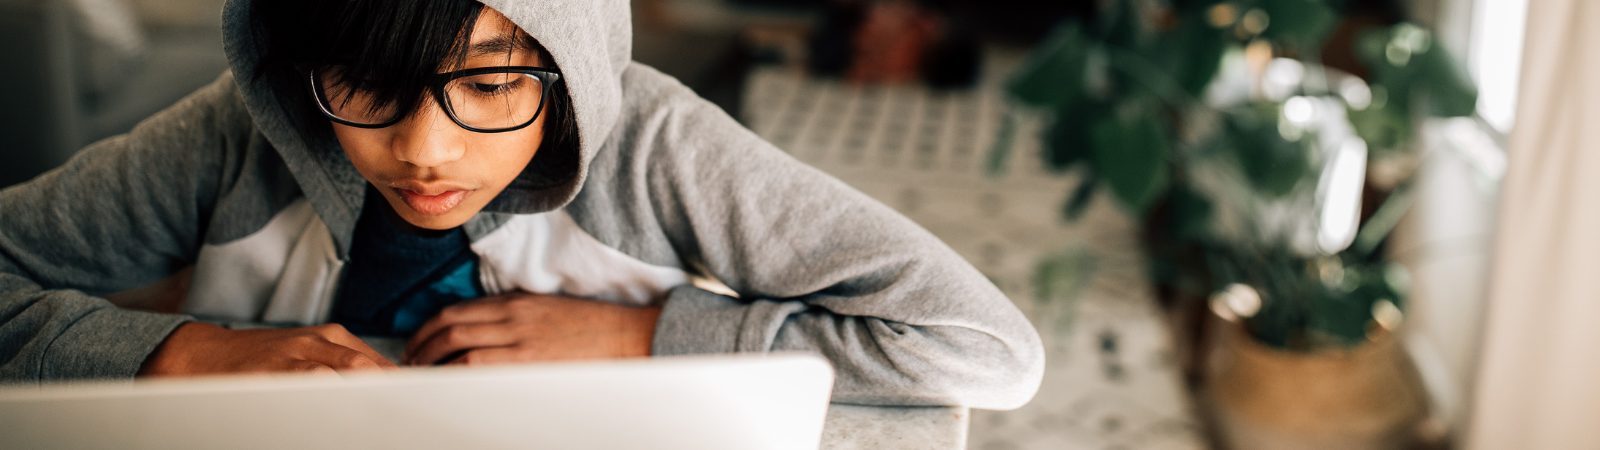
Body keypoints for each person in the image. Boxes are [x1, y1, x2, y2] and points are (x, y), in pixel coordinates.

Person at [0, 0, 1043, 409]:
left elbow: (981, 349)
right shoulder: (243, 129)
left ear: (570, 65)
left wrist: (645, 334)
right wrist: (179, 351)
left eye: (492, 85)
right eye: (365, 88)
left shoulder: (655, 146)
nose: (422, 153)